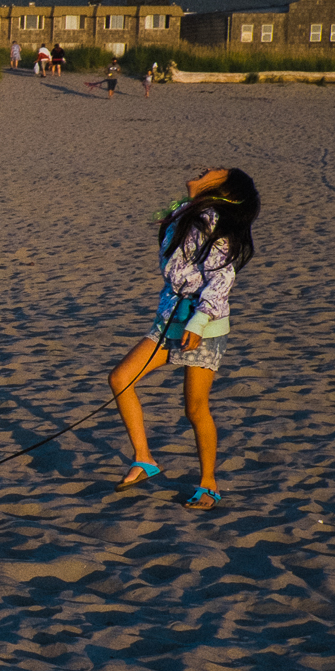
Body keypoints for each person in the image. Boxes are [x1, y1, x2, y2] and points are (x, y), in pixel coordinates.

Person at [108, 168, 259, 510]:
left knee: (194, 409)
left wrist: (199, 320)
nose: (206, 169)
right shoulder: (187, 214)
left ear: (224, 188)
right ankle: (144, 459)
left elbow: (222, 278)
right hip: (169, 320)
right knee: (120, 378)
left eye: (215, 172)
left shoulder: (214, 223)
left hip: (202, 326)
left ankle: (208, 484)